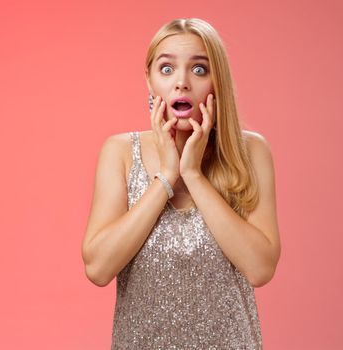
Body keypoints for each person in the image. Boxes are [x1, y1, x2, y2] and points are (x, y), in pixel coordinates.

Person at [81, 17, 281, 349]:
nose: (182, 83)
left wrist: (194, 176)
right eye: (167, 69)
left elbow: (260, 268)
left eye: (199, 69)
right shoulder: (120, 152)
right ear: (149, 80)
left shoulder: (251, 152)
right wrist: (165, 179)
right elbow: (99, 268)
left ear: (218, 81)